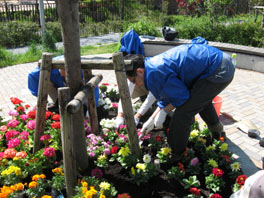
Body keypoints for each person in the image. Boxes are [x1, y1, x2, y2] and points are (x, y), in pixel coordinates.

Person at [125, 39, 236, 160]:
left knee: (183, 113)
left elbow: (182, 96)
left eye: (134, 81)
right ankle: (218, 131)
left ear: (139, 71)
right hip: (217, 62)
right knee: (200, 100)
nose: (137, 85)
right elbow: (169, 92)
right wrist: (153, 118)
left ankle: (177, 153)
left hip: (218, 70)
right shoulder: (150, 66)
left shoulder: (154, 72)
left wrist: (164, 112)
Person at [28, 56, 99, 113]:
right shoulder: (52, 68)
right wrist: (40, 96)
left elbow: (93, 89)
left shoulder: (83, 72)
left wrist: (89, 113)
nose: (68, 75)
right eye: (65, 72)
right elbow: (32, 76)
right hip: (58, 86)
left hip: (79, 89)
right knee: (46, 79)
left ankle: (84, 108)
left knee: (85, 96)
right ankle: (58, 106)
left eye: (70, 74)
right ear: (60, 69)